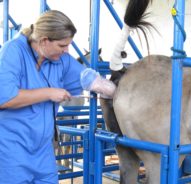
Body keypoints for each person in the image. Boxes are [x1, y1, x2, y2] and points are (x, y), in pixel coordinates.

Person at [0, 10, 115, 183]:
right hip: (13, 149)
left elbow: (88, 78)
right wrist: (49, 93)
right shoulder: (13, 51)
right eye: (62, 46)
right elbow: (5, 98)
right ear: (44, 41)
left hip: (43, 151)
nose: (66, 50)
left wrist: (115, 91)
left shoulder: (60, 60)